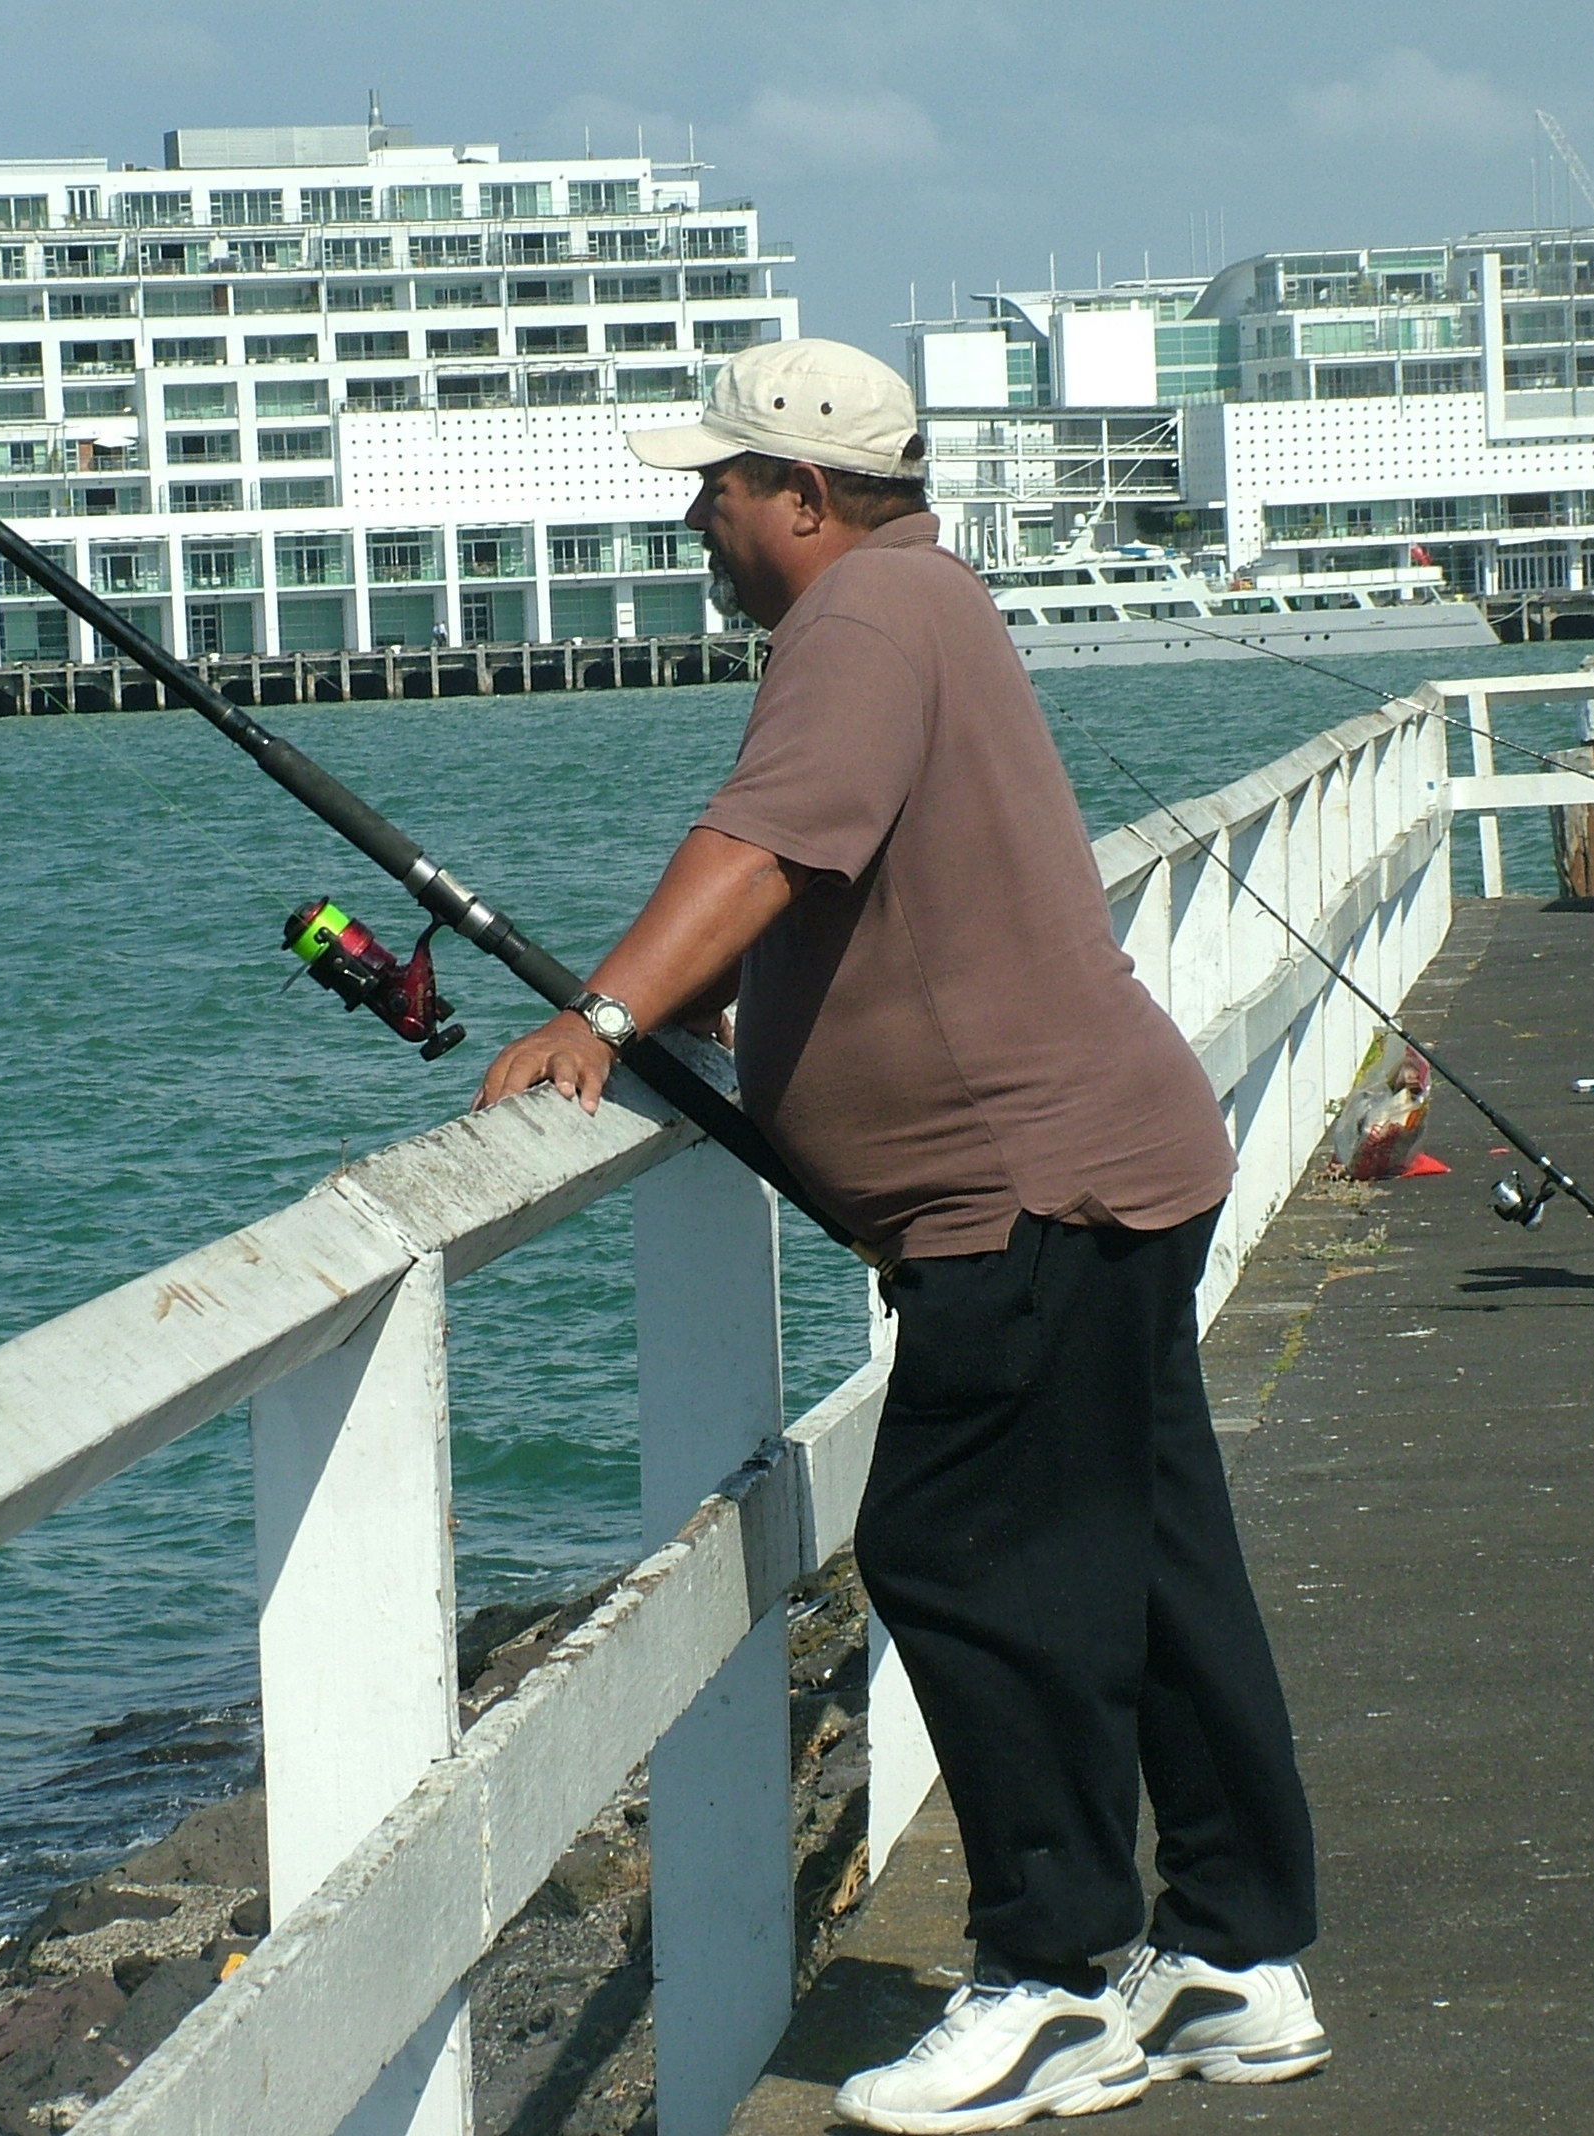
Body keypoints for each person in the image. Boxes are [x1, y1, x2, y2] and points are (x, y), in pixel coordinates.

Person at [474, 339, 1325, 2128]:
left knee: (961, 1551)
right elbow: (857, 885)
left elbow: (773, 839)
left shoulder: (855, 620)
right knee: (1150, 1562)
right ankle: (1234, 1958)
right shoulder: (926, 599)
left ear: (798, 494)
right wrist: (738, 1019)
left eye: (711, 482)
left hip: (1018, 1190)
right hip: (1099, 1163)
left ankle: (1052, 1976)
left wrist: (608, 1017)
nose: (690, 510)